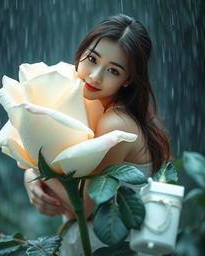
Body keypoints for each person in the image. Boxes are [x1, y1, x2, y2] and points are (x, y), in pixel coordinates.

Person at [24, 14, 170, 255]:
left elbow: (82, 206)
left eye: (113, 70)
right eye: (92, 59)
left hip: (107, 247)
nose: (95, 75)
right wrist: (33, 175)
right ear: (81, 52)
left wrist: (31, 168)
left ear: (128, 79)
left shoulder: (115, 123)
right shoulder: (96, 107)